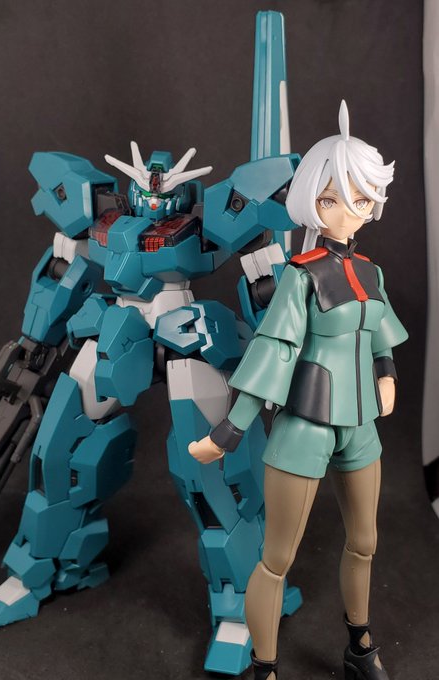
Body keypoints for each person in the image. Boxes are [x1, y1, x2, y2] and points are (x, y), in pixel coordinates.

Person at [188, 100, 408, 680]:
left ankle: (360, 646)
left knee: (365, 541)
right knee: (277, 558)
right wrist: (230, 430)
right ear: (313, 201)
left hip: (360, 424)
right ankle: (265, 667)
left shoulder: (371, 273)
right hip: (306, 424)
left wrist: (386, 373)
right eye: (333, 199)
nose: (349, 211)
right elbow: (275, 352)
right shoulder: (300, 274)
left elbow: (379, 332)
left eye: (360, 200)